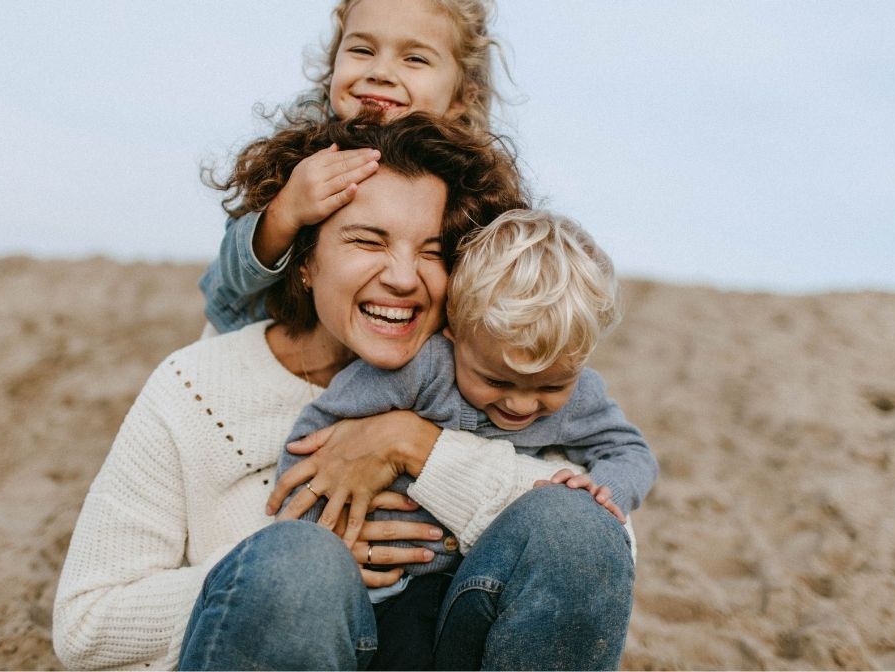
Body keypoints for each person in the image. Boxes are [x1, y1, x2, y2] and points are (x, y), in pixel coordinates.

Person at [52, 115, 637, 671]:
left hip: (439, 642)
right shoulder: (196, 386)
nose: (404, 277)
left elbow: (598, 545)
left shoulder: (495, 378)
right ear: (305, 260)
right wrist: (276, 568)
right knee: (298, 564)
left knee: (575, 527)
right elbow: (86, 625)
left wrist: (418, 447)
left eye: (432, 251)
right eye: (367, 240)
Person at [276, 209, 658, 580]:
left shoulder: (579, 399)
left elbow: (630, 451)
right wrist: (318, 542)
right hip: (366, 572)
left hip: (466, 582)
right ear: (454, 331)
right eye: (496, 381)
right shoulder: (421, 370)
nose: (521, 405)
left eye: (550, 386)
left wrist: (607, 490)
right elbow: (315, 438)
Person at [200, 0, 508, 334]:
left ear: (463, 96)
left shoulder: (468, 181)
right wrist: (287, 209)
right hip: (265, 343)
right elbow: (225, 284)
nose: (380, 72)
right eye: (362, 50)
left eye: (414, 59)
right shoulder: (302, 146)